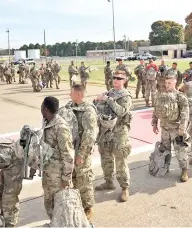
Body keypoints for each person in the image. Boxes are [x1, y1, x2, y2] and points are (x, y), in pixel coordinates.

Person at [94, 70, 133, 202]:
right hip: (105, 133)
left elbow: (121, 111)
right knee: (106, 160)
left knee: (120, 161)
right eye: (114, 77)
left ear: (125, 80)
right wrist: (97, 100)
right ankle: (108, 182)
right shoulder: (108, 92)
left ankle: (124, 188)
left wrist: (108, 100)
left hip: (119, 133)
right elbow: (97, 109)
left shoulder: (126, 96)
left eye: (119, 78)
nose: (115, 80)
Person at [66, 84, 98, 221]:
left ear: (79, 94)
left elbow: (89, 135)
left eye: (71, 92)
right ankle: (77, 202)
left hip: (81, 152)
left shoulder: (88, 111)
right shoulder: (69, 106)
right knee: (73, 178)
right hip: (70, 150)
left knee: (84, 179)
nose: (69, 95)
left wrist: (81, 155)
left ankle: (88, 207)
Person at [40, 96, 75, 221]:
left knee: (59, 208)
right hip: (49, 174)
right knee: (49, 205)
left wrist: (66, 179)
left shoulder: (61, 128)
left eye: (42, 106)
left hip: (58, 177)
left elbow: (69, 155)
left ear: (45, 109)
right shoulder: (47, 122)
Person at [152, 71, 190, 182]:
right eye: (166, 83)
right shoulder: (161, 96)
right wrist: (154, 123)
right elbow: (155, 110)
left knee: (180, 151)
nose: (167, 85)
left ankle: (184, 170)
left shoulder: (180, 96)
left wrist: (182, 128)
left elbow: (185, 113)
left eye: (169, 83)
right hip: (164, 128)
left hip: (176, 129)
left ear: (175, 83)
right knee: (165, 150)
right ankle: (165, 167)